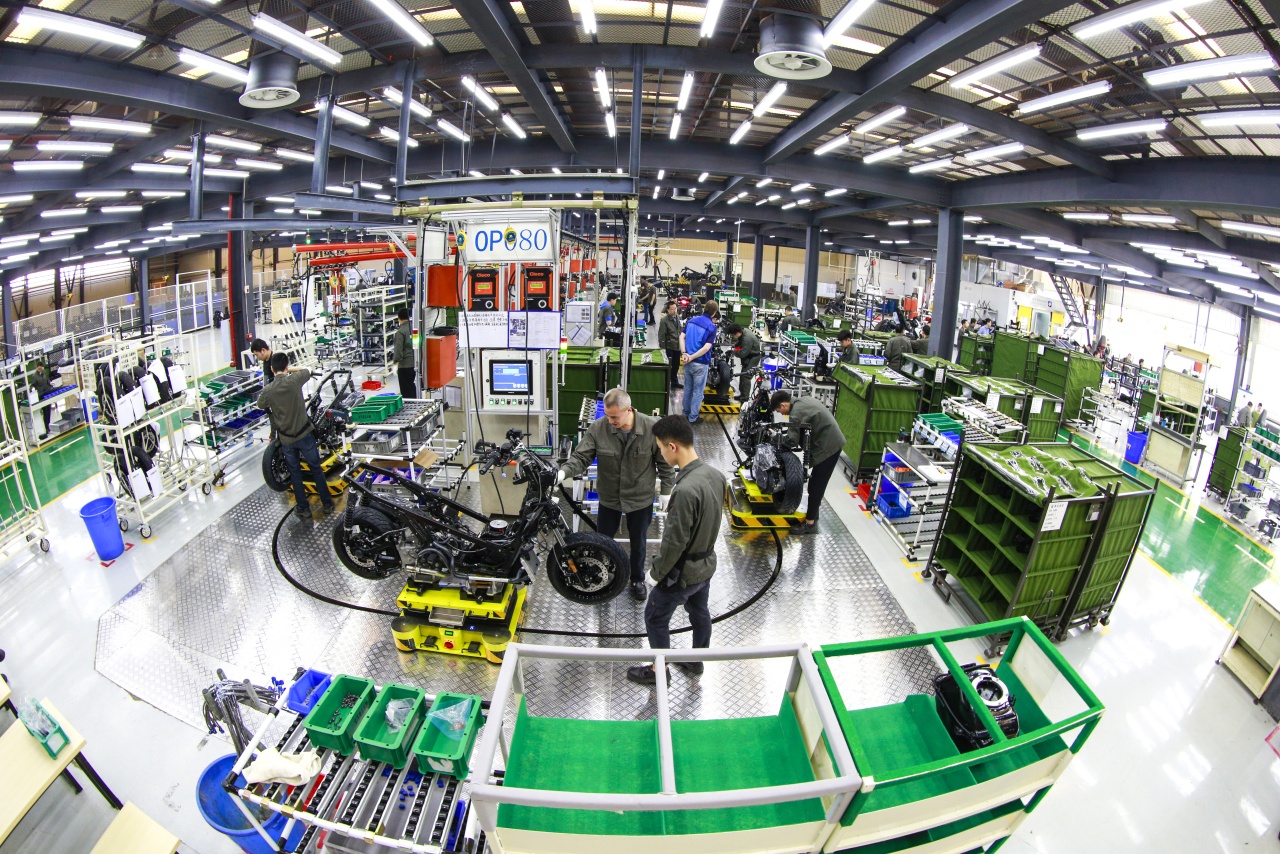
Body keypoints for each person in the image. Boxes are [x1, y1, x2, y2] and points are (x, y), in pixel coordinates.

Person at [627, 415, 726, 685]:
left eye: (660, 447)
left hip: (681, 574)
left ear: (673, 447)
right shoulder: (716, 475)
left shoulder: (684, 490)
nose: (659, 452)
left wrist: (656, 574)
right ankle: (696, 660)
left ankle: (660, 672)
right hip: (705, 567)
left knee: (654, 618)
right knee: (699, 612)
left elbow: (674, 542)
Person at [558, 388, 675, 602]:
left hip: (640, 497)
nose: (610, 420)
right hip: (610, 497)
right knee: (603, 540)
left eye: (614, 416)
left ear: (628, 410)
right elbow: (581, 457)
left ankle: (636, 579)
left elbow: (665, 464)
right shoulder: (598, 428)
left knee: (638, 542)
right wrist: (563, 472)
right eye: (607, 415)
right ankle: (603, 576)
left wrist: (667, 491)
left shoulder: (652, 428)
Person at [258, 353, 335, 519]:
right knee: (316, 469)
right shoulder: (294, 380)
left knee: (295, 473)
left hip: (286, 439)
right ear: (287, 367)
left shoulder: (268, 390)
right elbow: (307, 369)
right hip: (305, 435)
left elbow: (260, 404)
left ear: (271, 369)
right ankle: (327, 503)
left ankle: (303, 508)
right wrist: (289, 369)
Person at [770, 389, 845, 534]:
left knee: (816, 485)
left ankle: (810, 524)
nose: (781, 414)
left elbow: (792, 440)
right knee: (815, 484)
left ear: (784, 405)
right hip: (829, 439)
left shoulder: (796, 413)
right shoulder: (802, 401)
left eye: (779, 410)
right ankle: (813, 515)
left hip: (829, 447)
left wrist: (777, 440)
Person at [681, 300, 719, 423]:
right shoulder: (711, 327)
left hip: (687, 361)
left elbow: (681, 337)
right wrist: (692, 357)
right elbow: (706, 348)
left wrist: (684, 354)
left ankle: (685, 414)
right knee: (698, 392)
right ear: (714, 313)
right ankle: (693, 418)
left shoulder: (691, 321)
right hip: (700, 363)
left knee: (687, 389)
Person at [727, 322, 762, 403]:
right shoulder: (744, 331)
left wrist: (733, 352)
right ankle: (741, 395)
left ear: (737, 332)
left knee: (746, 377)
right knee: (742, 375)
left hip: (754, 358)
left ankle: (744, 399)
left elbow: (743, 353)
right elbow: (740, 342)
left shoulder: (747, 338)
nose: (733, 336)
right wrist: (735, 346)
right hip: (749, 356)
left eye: (733, 335)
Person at [658, 300, 683, 388]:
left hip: (677, 346)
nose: (674, 311)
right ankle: (665, 382)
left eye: (675, 308)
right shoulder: (664, 321)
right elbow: (661, 335)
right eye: (672, 309)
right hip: (669, 347)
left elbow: (681, 331)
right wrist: (663, 349)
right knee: (669, 366)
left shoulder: (678, 318)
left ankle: (674, 382)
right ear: (668, 310)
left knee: (676, 365)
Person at [392, 308, 416, 397]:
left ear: (399, 318)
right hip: (414, 363)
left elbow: (398, 350)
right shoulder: (414, 328)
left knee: (406, 391)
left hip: (405, 366)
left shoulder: (400, 332)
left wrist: (395, 364)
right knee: (412, 387)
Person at [29, 362, 53, 440]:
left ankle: (48, 425)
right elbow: (32, 385)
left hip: (47, 393)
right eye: (38, 367)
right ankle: (46, 427)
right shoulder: (35, 376)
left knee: (48, 410)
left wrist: (51, 384)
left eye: (41, 367)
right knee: (45, 411)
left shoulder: (44, 373)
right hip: (41, 395)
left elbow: (47, 381)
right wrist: (32, 389)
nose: (40, 368)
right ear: (37, 367)